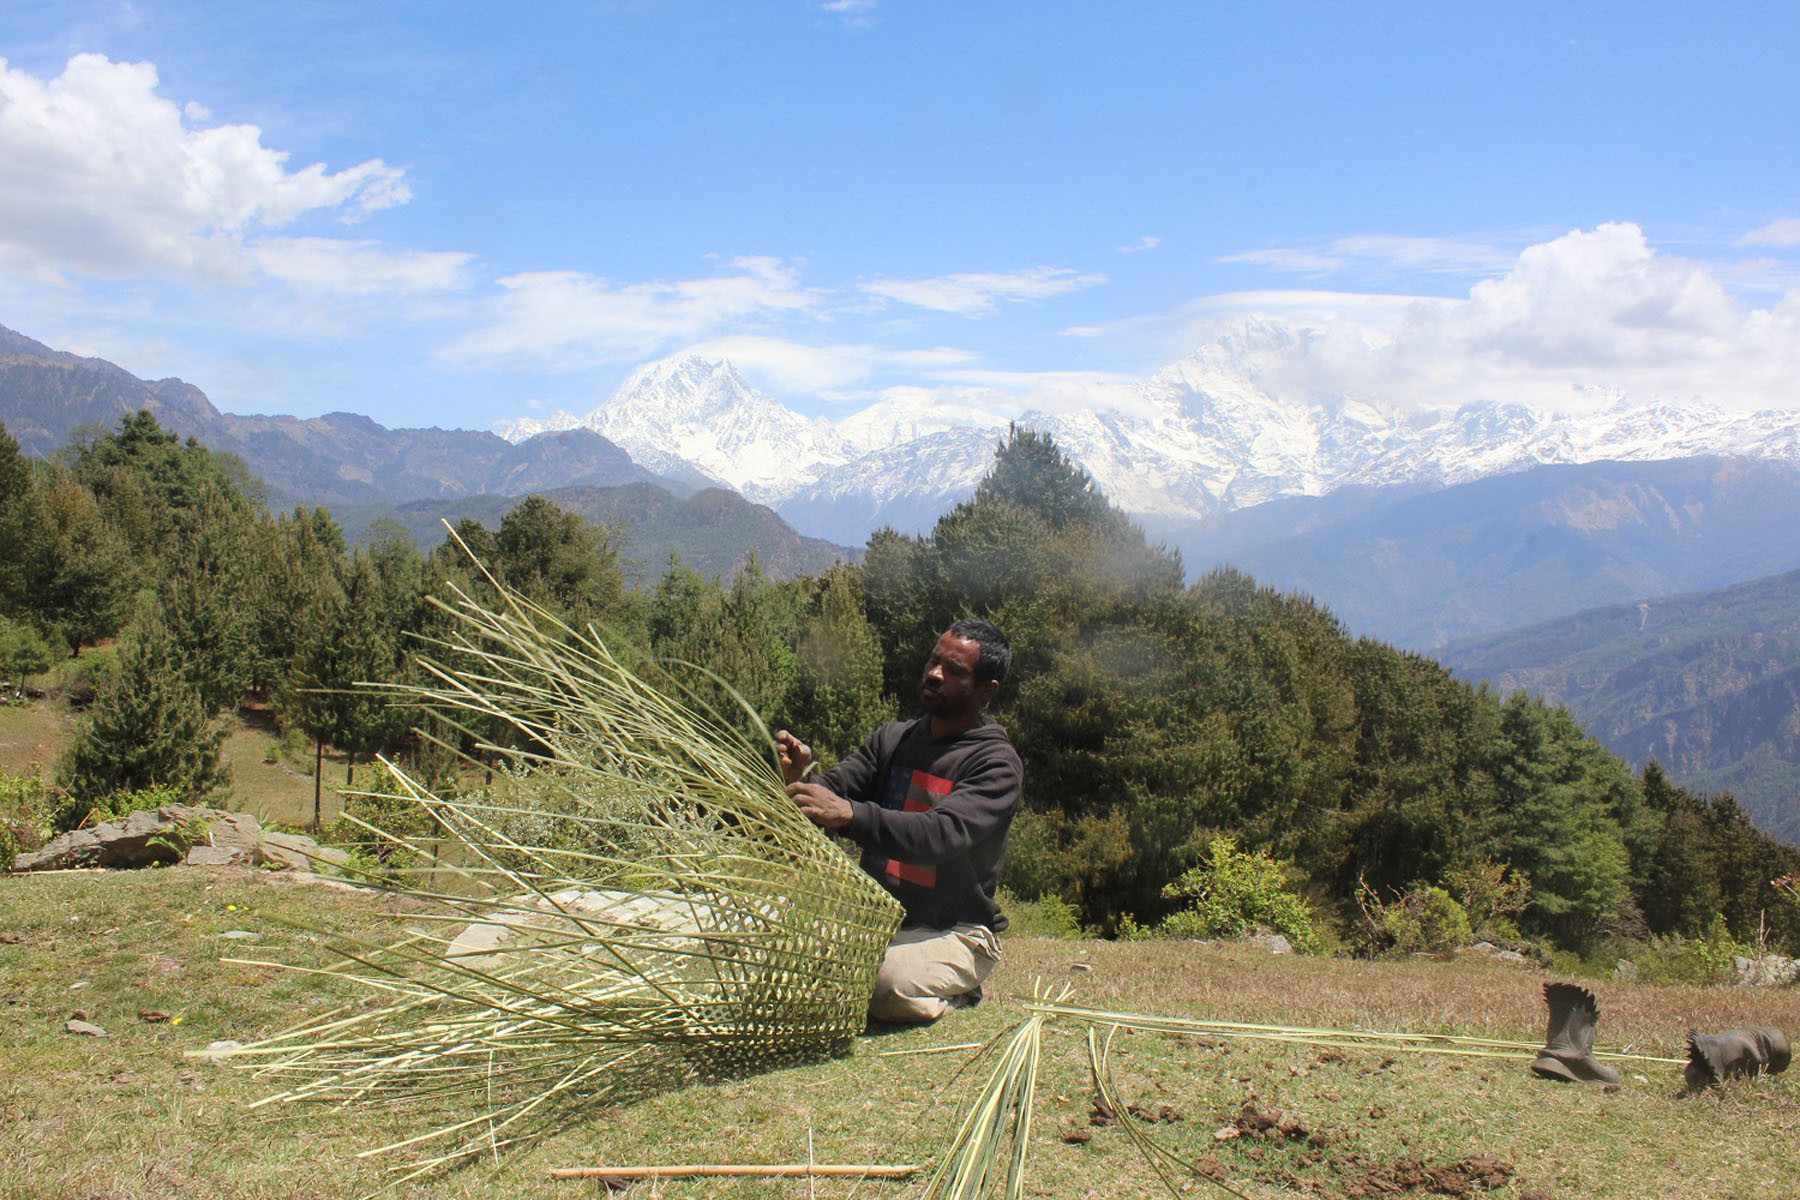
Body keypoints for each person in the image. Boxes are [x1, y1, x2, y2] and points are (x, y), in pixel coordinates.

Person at [777, 618, 1022, 1025]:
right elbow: (837, 792)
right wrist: (801, 781)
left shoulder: (995, 763)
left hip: (955, 931)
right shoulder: (892, 739)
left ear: (985, 690)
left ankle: (958, 992)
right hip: (878, 922)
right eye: (933, 660)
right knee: (789, 962)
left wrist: (852, 815)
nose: (934, 673)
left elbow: (941, 834)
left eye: (953, 670)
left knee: (885, 985)